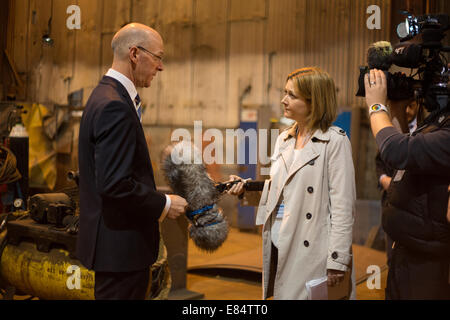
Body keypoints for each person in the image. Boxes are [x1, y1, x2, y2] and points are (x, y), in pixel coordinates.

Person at [77, 23, 188, 300]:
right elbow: (115, 185)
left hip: (114, 250)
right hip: (120, 252)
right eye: (158, 57)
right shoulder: (115, 105)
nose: (160, 67)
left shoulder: (104, 95)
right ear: (135, 54)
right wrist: (164, 204)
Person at [228, 67, 356, 300]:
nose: (283, 100)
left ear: (313, 100)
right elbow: (282, 191)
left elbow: (343, 207)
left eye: (292, 95)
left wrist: (337, 259)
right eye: (285, 92)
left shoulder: (335, 142)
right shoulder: (284, 139)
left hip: (313, 250)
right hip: (279, 241)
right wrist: (247, 188)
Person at [364, 68, 450, 299]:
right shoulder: (436, 125)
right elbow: (405, 154)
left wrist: (376, 105)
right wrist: (396, 107)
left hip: (427, 265)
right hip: (404, 254)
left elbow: (395, 149)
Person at [375, 98, 424, 265]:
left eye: (410, 106)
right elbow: (380, 161)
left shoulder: (425, 132)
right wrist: (383, 179)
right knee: (391, 251)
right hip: (390, 197)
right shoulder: (389, 128)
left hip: (413, 200)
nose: (407, 111)